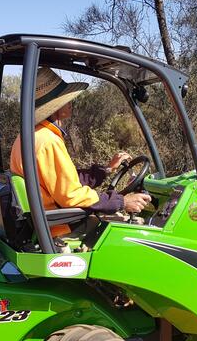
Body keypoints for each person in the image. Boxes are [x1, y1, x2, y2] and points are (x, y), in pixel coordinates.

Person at [10, 67, 151, 237]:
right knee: (127, 233)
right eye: (66, 99)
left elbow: (64, 181)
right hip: (57, 227)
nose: (71, 102)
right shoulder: (48, 141)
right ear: (57, 106)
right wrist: (122, 202)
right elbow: (70, 196)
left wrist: (106, 170)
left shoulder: (31, 136)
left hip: (46, 221)